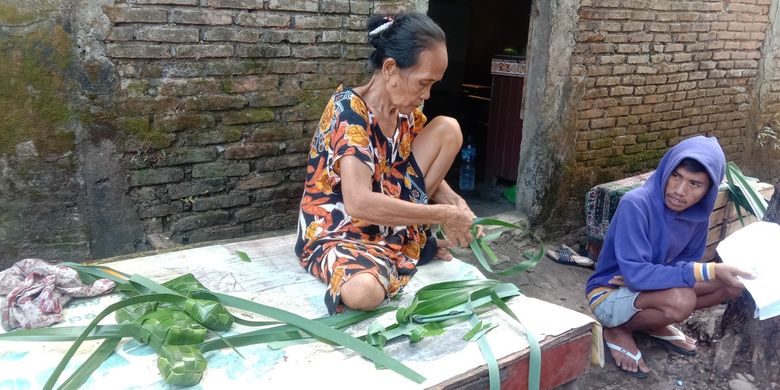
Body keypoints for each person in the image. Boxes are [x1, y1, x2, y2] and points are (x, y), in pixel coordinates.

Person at [295, 13, 478, 315]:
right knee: (365, 294)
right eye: (423, 83)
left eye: (432, 85)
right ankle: (399, 248)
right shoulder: (349, 113)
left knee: (449, 129)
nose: (426, 95)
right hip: (340, 228)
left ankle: (403, 241)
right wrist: (440, 215)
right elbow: (358, 202)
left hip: (385, 221)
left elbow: (410, 167)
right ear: (391, 68)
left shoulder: (406, 113)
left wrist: (458, 206)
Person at [585, 136, 754, 378]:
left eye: (695, 184)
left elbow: (682, 264)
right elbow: (636, 276)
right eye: (676, 176)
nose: (679, 190)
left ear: (708, 191)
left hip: (645, 288)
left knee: (731, 287)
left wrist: (648, 278)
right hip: (608, 293)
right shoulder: (636, 204)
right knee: (681, 300)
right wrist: (643, 278)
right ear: (666, 170)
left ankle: (653, 323)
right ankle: (617, 329)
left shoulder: (697, 216)